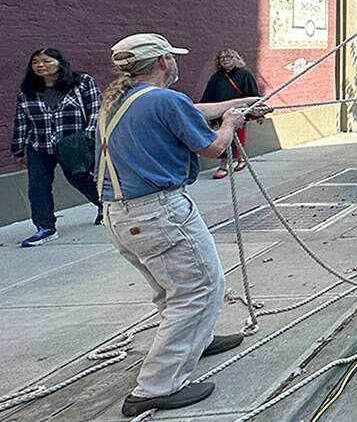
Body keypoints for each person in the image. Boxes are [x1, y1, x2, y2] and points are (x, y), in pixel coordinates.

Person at [97, 33, 259, 416]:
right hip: (158, 213)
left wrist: (236, 107)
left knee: (171, 290)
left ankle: (195, 341)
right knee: (200, 289)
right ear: (164, 61)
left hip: (121, 215)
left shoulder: (121, 98)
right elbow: (215, 148)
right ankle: (156, 387)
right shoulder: (164, 99)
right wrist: (231, 124)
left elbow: (191, 110)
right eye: (174, 57)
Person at [10, 48, 103, 246]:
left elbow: (96, 110)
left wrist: (88, 137)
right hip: (39, 145)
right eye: (35, 62)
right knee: (38, 186)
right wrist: (18, 149)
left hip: (72, 143)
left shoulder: (82, 82)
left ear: (60, 62)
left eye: (46, 60)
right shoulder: (27, 90)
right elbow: (21, 120)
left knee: (79, 178)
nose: (40, 65)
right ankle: (45, 228)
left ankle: (105, 206)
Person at [199, 49, 260, 179]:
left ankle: (223, 165)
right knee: (229, 137)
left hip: (238, 112)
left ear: (235, 58)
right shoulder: (216, 78)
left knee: (233, 137)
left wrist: (258, 112)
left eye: (228, 57)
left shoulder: (245, 74)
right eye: (222, 58)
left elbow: (253, 94)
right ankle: (241, 159)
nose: (225, 60)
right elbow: (207, 97)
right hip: (219, 113)